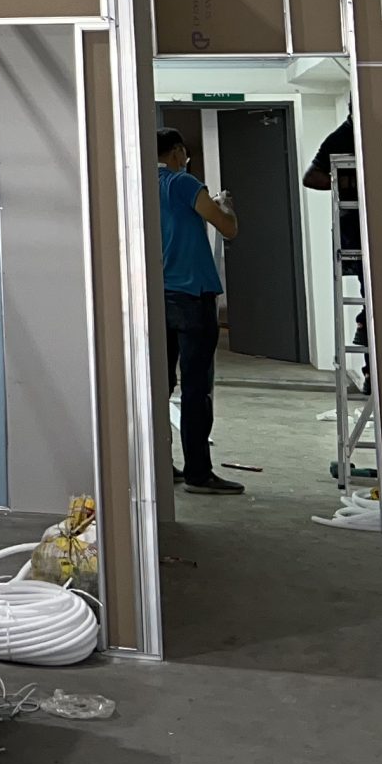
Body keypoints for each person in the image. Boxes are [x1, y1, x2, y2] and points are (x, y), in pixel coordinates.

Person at [158, 126, 243, 494]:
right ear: (177, 151)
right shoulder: (183, 182)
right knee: (196, 388)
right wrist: (226, 205)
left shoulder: (139, 185)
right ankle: (198, 473)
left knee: (158, 385)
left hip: (156, 296)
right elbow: (227, 228)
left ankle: (159, 465)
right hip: (192, 296)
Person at [304, 116, 369, 393]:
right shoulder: (343, 136)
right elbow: (311, 177)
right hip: (358, 230)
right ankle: (372, 374)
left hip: (380, 225)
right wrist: (349, 181)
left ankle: (366, 327)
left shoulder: (377, 133)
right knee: (373, 296)